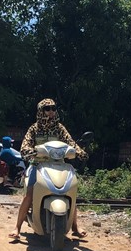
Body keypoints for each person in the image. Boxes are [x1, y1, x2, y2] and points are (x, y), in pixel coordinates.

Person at [9, 98, 87, 240]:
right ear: (40, 111)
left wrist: (80, 152)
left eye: (53, 108)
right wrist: (28, 151)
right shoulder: (34, 129)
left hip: (59, 165)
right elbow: (25, 144)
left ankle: (75, 226)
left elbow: (70, 142)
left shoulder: (59, 128)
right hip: (37, 165)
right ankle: (17, 227)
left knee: (71, 191)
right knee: (30, 194)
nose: (51, 111)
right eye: (47, 108)